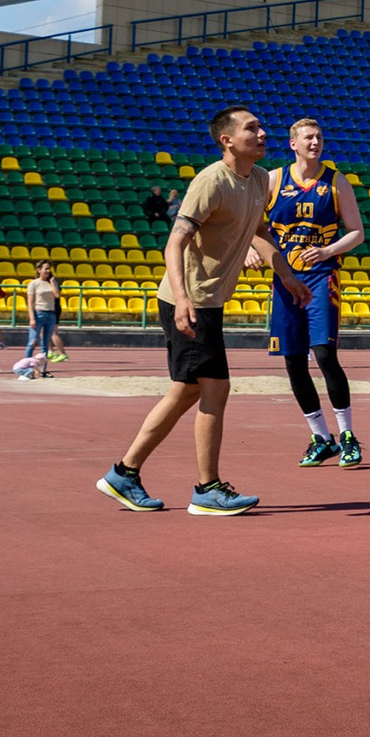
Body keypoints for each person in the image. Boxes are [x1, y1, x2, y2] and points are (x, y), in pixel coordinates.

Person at [98, 105, 302, 517]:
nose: (262, 133)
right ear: (227, 140)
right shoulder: (211, 182)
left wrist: (287, 275)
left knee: (186, 390)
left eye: (261, 127)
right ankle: (207, 489)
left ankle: (125, 473)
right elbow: (174, 242)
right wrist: (184, 297)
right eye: (252, 128)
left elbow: (258, 232)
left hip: (208, 300)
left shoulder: (259, 178)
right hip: (188, 301)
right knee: (215, 388)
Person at [265, 115, 367, 467]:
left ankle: (348, 435)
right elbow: (252, 226)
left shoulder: (336, 182)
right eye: (308, 137)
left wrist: (327, 250)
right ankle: (320, 437)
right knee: (293, 362)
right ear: (292, 143)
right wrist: (251, 249)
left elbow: (357, 232)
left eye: (319, 137)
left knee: (324, 355)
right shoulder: (273, 179)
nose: (315, 142)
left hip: (322, 276)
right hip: (284, 279)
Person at [18, 259, 62, 376]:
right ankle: (26, 369)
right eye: (45, 268)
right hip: (39, 313)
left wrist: (53, 283)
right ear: (39, 270)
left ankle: (42, 370)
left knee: (45, 344)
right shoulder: (34, 284)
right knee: (32, 342)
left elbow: (57, 295)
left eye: (49, 269)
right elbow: (30, 302)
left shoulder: (51, 282)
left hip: (51, 314)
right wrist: (32, 318)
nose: (48, 271)